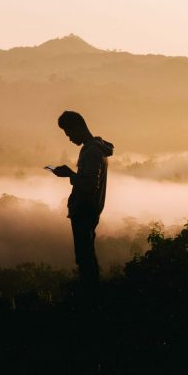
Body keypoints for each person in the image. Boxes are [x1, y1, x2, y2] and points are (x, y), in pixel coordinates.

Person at [50, 111, 113, 290]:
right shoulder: (96, 148)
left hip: (85, 211)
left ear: (78, 128)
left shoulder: (92, 152)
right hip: (88, 210)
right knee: (86, 256)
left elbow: (89, 185)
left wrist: (69, 174)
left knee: (85, 258)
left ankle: (90, 297)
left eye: (69, 133)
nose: (69, 138)